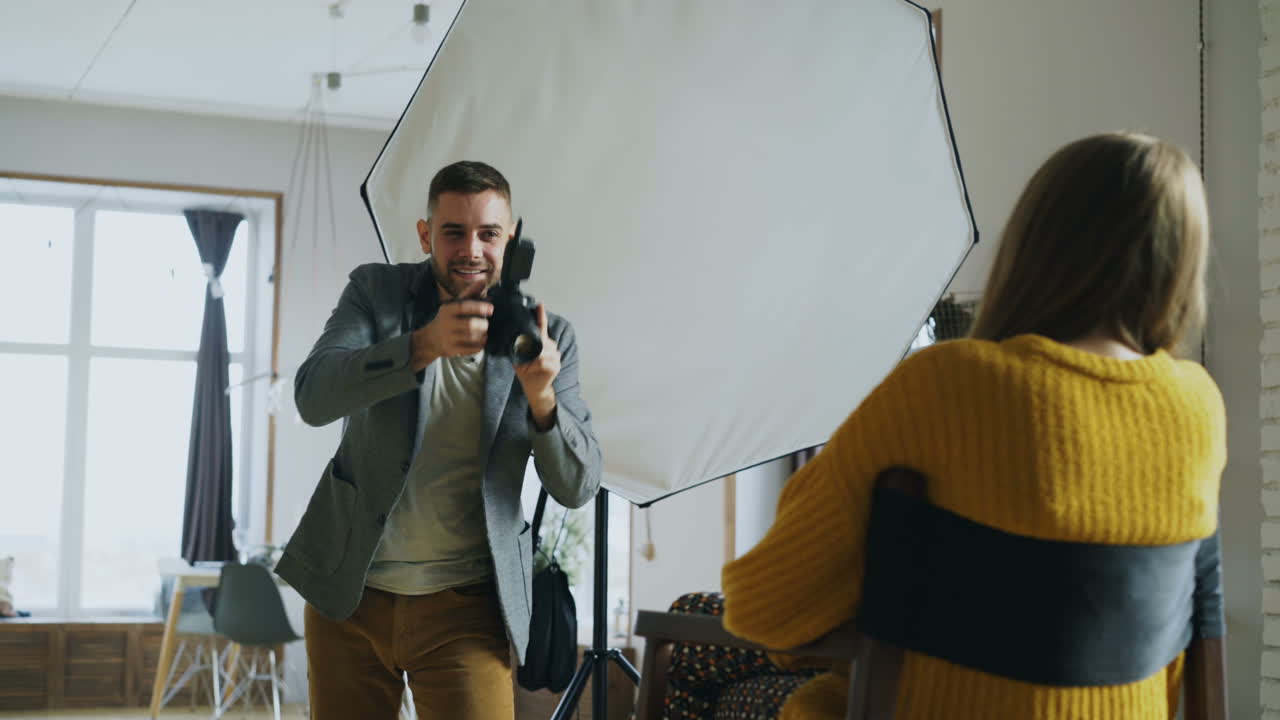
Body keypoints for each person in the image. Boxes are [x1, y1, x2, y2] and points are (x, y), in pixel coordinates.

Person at [721, 132, 1224, 720]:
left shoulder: (945, 386)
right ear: (1182, 263)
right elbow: (1168, 666)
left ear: (1037, 243)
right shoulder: (1198, 412)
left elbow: (763, 608)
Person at [275, 161, 602, 719]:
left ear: (512, 239)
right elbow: (312, 396)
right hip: (350, 594)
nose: (470, 249)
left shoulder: (549, 336)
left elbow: (577, 486)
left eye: (488, 234)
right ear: (426, 234)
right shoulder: (376, 293)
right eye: (453, 232)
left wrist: (543, 400)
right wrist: (420, 347)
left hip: (469, 608)